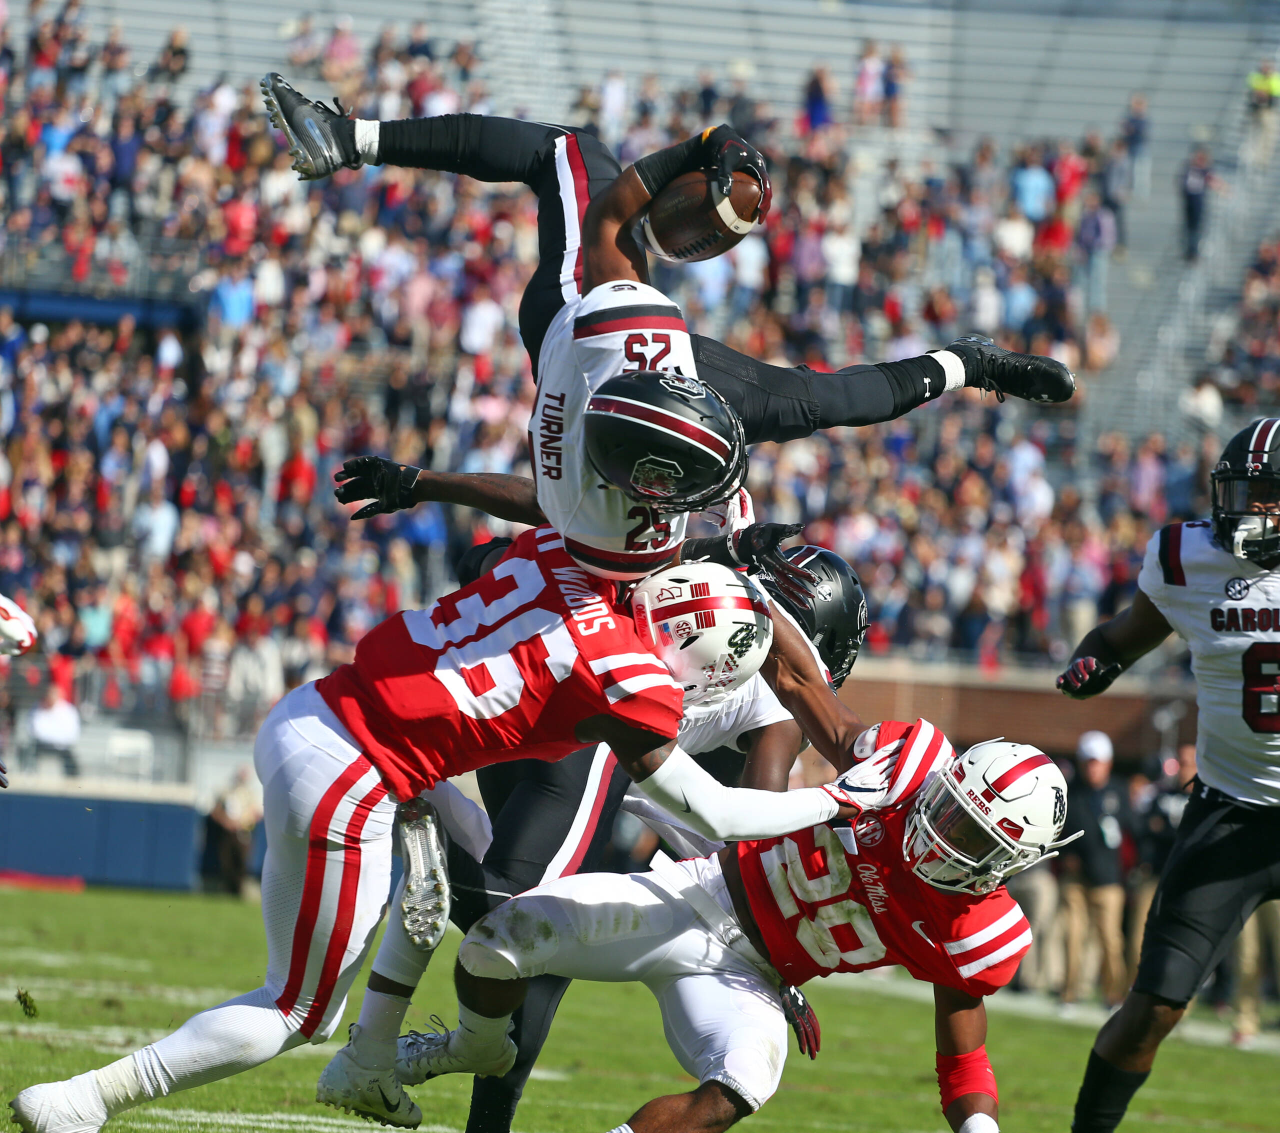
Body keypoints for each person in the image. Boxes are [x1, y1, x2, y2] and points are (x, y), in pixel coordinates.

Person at [9, 532, 866, 1133]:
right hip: (357, 775)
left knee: (438, 864)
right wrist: (841, 798)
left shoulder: (560, 561)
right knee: (298, 1009)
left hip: (314, 710)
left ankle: (383, 1038)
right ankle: (83, 1098)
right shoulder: (634, 678)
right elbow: (715, 817)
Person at [260, 75, 1075, 582]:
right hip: (619, 370)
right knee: (814, 402)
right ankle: (969, 364)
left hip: (585, 321)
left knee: (572, 151)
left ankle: (349, 140)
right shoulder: (639, 496)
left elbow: (614, 210)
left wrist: (708, 141)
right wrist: (424, 484)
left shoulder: (608, 482)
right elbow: (843, 401)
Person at [316, 540, 870, 1130]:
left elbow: (705, 832)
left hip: (548, 692)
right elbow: (749, 846)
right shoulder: (775, 701)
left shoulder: (712, 584)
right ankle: (409, 804)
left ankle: (425, 1072)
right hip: (596, 731)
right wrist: (780, 957)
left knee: (536, 946)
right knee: (517, 913)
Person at [399, 723, 1078, 1133]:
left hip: (752, 977)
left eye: (969, 832)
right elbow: (810, 692)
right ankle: (473, 1043)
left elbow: (963, 1058)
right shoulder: (907, 771)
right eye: (951, 806)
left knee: (744, 1079)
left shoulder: (976, 931)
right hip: (698, 892)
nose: (941, 833)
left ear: (1010, 862)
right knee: (498, 939)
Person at [1057, 417, 1280, 1133]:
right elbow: (1123, 635)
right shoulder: (1187, 558)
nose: (1249, 509)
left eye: (1267, 496)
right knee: (1153, 1004)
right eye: (1242, 492)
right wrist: (1097, 663)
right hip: (1231, 815)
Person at [1059, 730, 1131, 1008]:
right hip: (1075, 877)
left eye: (1097, 761)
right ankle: (1069, 993)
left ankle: (1114, 995)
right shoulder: (1071, 790)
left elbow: (1130, 830)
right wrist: (1065, 855)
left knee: (1111, 941)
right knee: (1073, 936)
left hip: (1108, 879)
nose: (1093, 767)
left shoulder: (1118, 791)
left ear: (1108, 763)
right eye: (1089, 761)